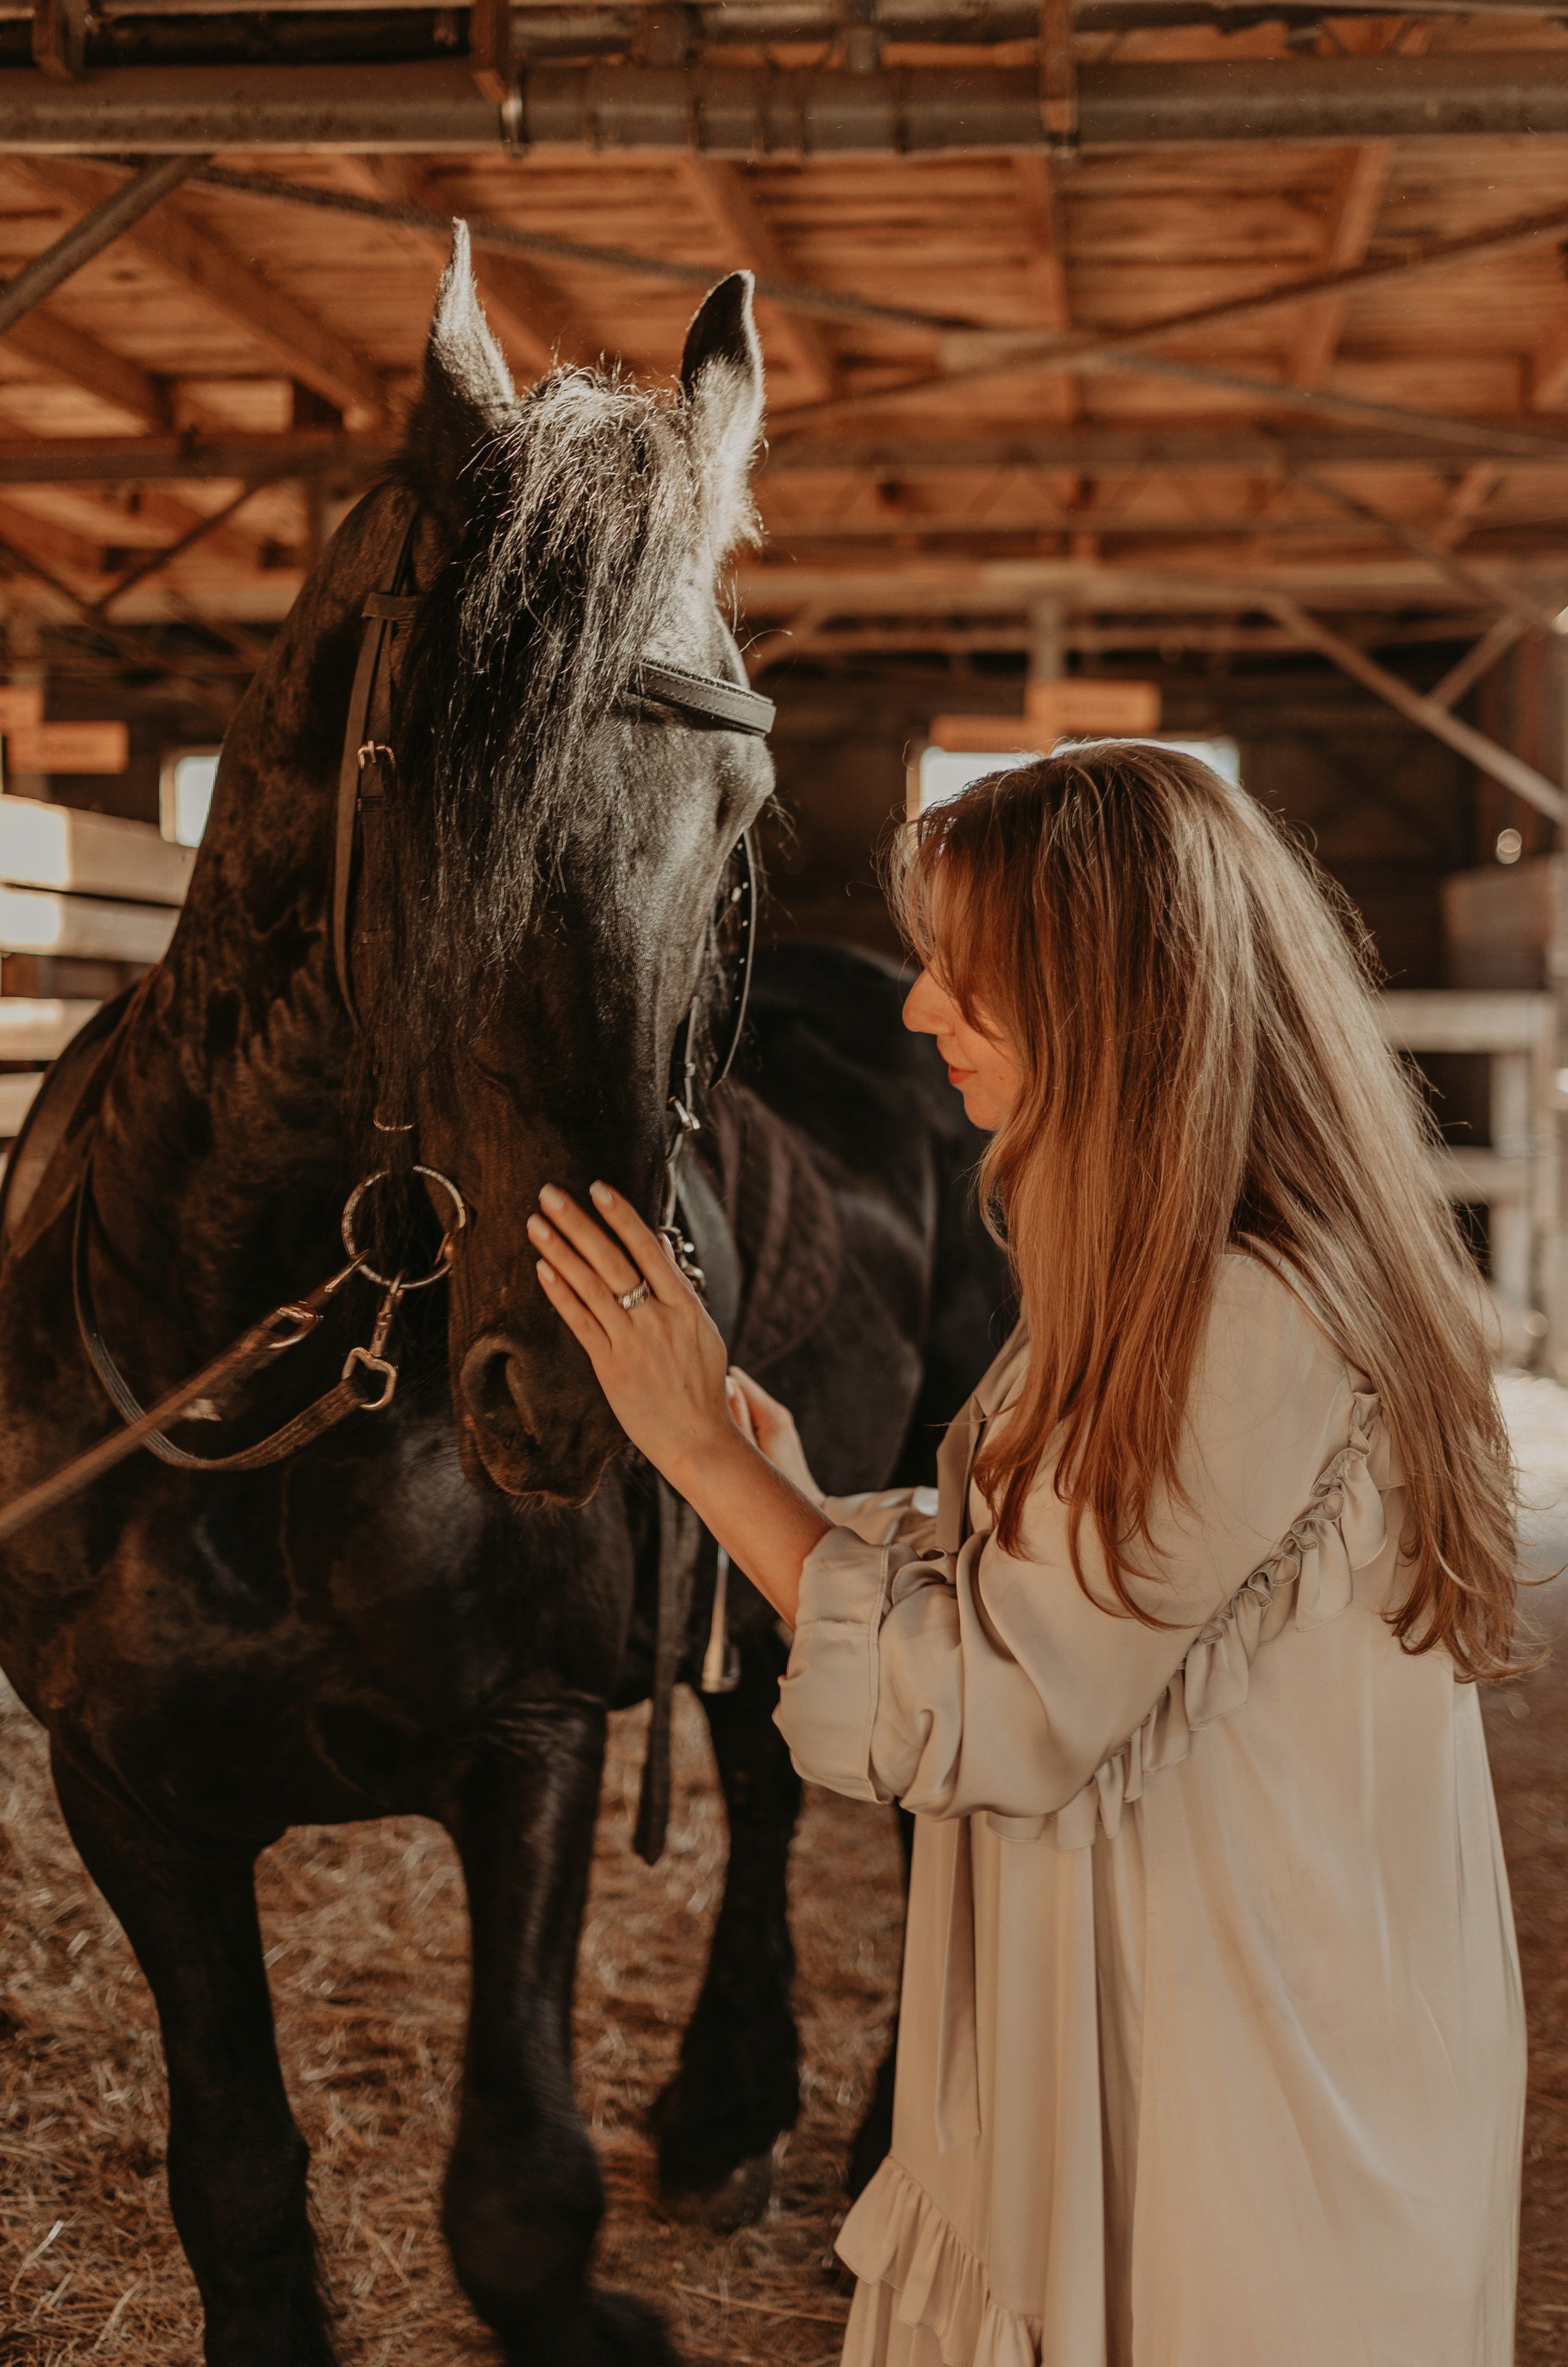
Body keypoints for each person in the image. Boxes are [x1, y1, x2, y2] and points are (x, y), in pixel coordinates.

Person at [526, 743, 1526, 2367]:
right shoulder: (1190, 1277)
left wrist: (701, 1454)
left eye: (965, 978)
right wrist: (797, 1492)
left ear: (1112, 1004)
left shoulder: (1241, 1316)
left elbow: (985, 1707)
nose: (920, 1011)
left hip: (1240, 2104)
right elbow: (1079, 1584)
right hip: (1210, 2021)